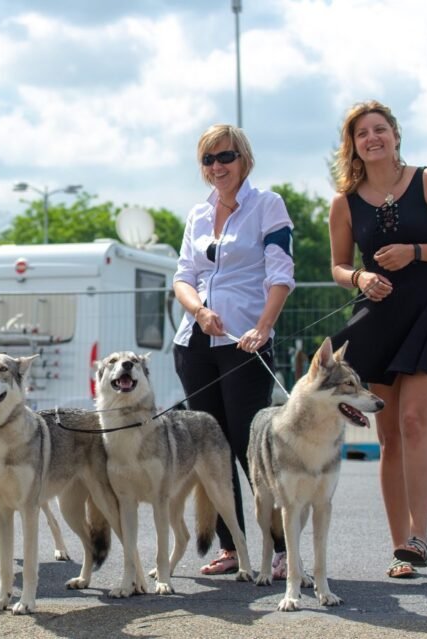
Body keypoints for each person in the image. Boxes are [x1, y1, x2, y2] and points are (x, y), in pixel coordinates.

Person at [328, 100, 427, 579]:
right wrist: (360, 280)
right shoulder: (343, 202)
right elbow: (338, 266)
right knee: (389, 436)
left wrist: (414, 251)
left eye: (380, 129)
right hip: (379, 319)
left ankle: (420, 536)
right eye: (361, 134)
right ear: (352, 146)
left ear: (395, 134)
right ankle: (400, 548)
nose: (372, 138)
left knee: (415, 422)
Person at [172, 124, 295, 577]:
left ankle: (282, 548)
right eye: (208, 159)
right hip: (195, 343)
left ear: (243, 158)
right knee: (210, 449)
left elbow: (281, 273)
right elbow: (183, 277)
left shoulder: (267, 205)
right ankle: (233, 547)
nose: (217, 166)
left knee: (250, 447)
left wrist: (264, 328)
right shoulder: (197, 215)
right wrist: (200, 312)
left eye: (225, 157)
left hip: (246, 343)